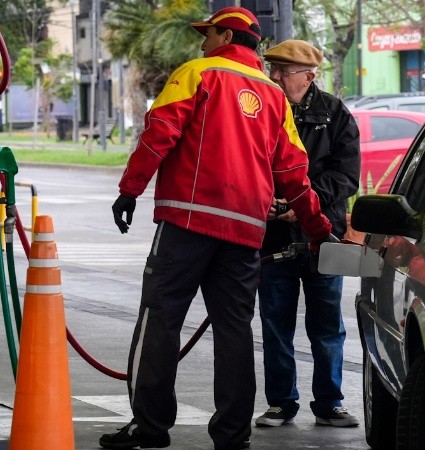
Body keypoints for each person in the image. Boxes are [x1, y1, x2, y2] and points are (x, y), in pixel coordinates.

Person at [100, 8, 333, 450]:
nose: (202, 43)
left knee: (161, 319)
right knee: (234, 331)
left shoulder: (197, 73)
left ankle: (151, 428)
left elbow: (160, 131)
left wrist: (130, 189)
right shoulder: (274, 96)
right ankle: (232, 436)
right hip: (245, 232)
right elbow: (295, 174)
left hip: (187, 220)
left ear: (227, 34)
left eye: (207, 35)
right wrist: (318, 230)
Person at [254, 40, 361, 429]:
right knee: (275, 323)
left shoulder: (336, 114)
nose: (276, 77)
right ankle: (281, 402)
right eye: (274, 70)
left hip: (321, 236)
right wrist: (267, 201)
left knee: (327, 326)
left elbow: (346, 178)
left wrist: (298, 203)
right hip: (272, 238)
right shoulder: (260, 109)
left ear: (310, 76)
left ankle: (330, 402)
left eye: (284, 72)